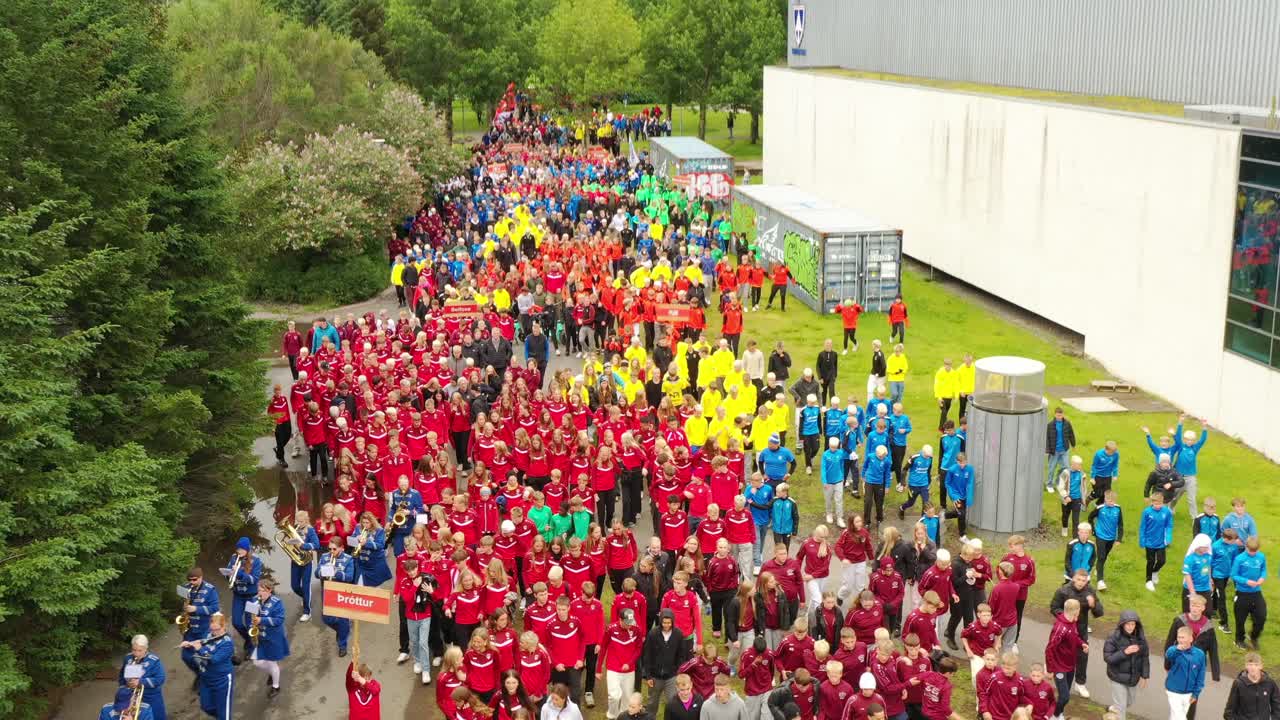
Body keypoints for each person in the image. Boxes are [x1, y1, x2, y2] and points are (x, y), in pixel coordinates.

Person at [1050, 570, 1103, 699]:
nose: (1080, 583)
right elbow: (1054, 608)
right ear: (1073, 578)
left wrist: (1093, 604)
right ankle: (1061, 680)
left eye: (1083, 581)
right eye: (1078, 579)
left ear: (1087, 581)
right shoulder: (1063, 591)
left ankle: (1080, 683)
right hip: (1065, 629)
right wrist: (1066, 618)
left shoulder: (1090, 591)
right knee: (1062, 654)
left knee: (1083, 656)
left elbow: (1099, 612)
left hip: (1081, 629)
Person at [182, 612, 235, 720]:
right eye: (212, 630)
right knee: (206, 706)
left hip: (222, 680)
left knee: (224, 712)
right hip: (206, 678)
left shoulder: (227, 643)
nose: (214, 633)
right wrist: (189, 644)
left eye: (217, 629)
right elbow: (203, 641)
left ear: (224, 626)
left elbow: (214, 659)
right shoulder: (209, 634)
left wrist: (199, 649)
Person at [642, 609, 690, 717]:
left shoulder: (678, 634)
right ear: (660, 621)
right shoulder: (653, 633)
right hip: (655, 676)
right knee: (652, 703)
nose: (666, 625)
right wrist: (648, 676)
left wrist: (678, 671)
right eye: (664, 622)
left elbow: (682, 655)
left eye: (669, 623)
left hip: (672, 677)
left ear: (672, 622)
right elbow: (647, 655)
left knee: (673, 703)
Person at [598, 609, 644, 720]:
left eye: (631, 622)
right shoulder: (611, 629)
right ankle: (612, 715)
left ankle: (624, 717)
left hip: (629, 670)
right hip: (613, 668)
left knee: (627, 698)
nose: (629, 625)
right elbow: (603, 647)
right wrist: (598, 669)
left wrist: (630, 663)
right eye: (627, 623)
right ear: (620, 620)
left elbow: (639, 648)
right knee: (614, 696)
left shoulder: (636, 629)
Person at [1103, 610, 1149, 720]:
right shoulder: (1113, 637)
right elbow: (1108, 658)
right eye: (1127, 624)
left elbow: (1145, 657)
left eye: (1133, 624)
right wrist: (1125, 652)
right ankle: (1117, 710)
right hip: (1116, 677)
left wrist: (1145, 675)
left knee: (1129, 702)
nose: (1130, 627)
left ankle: (1114, 708)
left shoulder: (1140, 638)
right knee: (1121, 709)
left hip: (1133, 678)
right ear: (1122, 624)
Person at [1045, 599, 1086, 719]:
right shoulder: (1060, 628)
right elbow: (1049, 649)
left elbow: (1075, 636)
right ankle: (1054, 715)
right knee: (1065, 696)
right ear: (1076, 611)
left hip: (1070, 666)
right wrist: (1050, 669)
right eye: (1079, 611)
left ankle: (1059, 713)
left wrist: (1081, 643)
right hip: (1059, 667)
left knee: (1066, 693)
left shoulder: (1072, 622)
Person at [249, 577, 289, 698]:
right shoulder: (254, 600)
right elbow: (250, 617)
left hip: (273, 638)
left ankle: (276, 686)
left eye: (262, 591)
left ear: (269, 591)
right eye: (258, 590)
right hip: (261, 637)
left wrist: (262, 620)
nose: (259, 593)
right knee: (257, 662)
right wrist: (252, 624)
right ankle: (272, 673)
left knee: (272, 663)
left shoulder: (277, 603)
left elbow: (279, 620)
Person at [316, 535, 356, 656]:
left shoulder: (349, 559)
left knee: (343, 618)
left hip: (342, 591)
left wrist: (337, 572)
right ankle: (343, 630)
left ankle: (342, 645)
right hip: (328, 590)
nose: (331, 552)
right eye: (330, 549)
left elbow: (349, 577)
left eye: (334, 549)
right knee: (326, 618)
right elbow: (316, 573)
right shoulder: (324, 557)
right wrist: (323, 572)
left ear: (342, 548)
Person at [179, 567, 221, 677]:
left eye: (194, 580)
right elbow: (183, 602)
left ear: (201, 578)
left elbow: (215, 608)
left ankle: (206, 676)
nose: (191, 582)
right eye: (190, 580)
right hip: (190, 628)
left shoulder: (210, 590)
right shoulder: (186, 587)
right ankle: (199, 674)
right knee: (186, 656)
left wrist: (196, 609)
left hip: (204, 628)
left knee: (203, 655)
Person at [225, 537, 262, 656]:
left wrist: (239, 573)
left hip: (251, 597)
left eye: (241, 549)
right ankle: (248, 639)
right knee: (236, 622)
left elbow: (254, 580)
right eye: (238, 548)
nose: (239, 551)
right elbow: (229, 574)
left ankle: (250, 648)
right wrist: (228, 574)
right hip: (238, 595)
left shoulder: (256, 561)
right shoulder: (234, 558)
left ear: (247, 549)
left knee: (250, 624)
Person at [1230, 536, 1267, 650]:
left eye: (1255, 551)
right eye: (1250, 551)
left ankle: (1254, 636)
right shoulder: (1239, 559)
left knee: (1261, 616)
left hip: (1256, 592)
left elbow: (1263, 570)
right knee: (1240, 619)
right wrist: (1246, 581)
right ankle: (1239, 640)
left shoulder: (1261, 557)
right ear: (1246, 547)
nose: (1252, 553)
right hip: (1242, 593)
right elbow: (1234, 575)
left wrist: (1262, 578)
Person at [118, 635, 166, 720]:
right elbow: (122, 675)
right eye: (134, 650)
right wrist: (124, 688)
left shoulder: (154, 661)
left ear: (146, 649)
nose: (136, 653)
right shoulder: (128, 658)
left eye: (140, 650)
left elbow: (160, 679)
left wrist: (141, 682)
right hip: (131, 697)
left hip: (151, 697)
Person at [1165, 626, 1207, 720]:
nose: (1180, 640)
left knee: (1175, 716)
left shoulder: (1199, 654)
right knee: (1180, 717)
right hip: (1173, 691)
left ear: (1191, 638)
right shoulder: (1174, 651)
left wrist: (1196, 693)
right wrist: (1177, 649)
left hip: (1189, 693)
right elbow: (1168, 654)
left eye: (1183, 637)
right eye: (1179, 637)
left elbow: (1201, 675)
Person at [1223, 653, 1280, 720]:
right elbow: (1228, 712)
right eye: (1250, 665)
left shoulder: (1270, 683)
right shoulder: (1239, 684)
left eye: (1256, 665)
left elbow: (1277, 706)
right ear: (1246, 666)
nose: (1253, 668)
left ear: (1261, 666)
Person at [1086, 490, 1123, 590]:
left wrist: (1119, 538)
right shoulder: (1100, 508)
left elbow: (1120, 524)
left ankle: (1098, 568)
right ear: (1105, 499)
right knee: (1101, 556)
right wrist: (1093, 530)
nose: (1110, 503)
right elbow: (1090, 518)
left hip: (1111, 538)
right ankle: (1100, 581)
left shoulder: (1118, 509)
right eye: (1108, 500)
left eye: (1112, 501)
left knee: (1104, 556)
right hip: (1100, 536)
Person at [1138, 492, 1174, 592]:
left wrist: (1168, 537)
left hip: (1161, 542)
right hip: (1149, 542)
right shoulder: (1147, 512)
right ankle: (1148, 580)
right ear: (1152, 502)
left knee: (1162, 561)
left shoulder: (1166, 512)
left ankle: (1155, 572)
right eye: (1156, 504)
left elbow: (1169, 525)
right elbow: (1142, 527)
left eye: (1160, 504)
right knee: (1151, 561)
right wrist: (1142, 539)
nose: (1158, 506)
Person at [1044, 408, 1075, 493]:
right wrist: (1047, 450)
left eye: (1061, 415)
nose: (1059, 416)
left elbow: (1071, 434)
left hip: (1064, 450)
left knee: (1065, 468)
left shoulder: (1067, 424)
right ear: (1055, 415)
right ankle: (1049, 485)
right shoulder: (1050, 425)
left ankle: (1057, 483)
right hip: (1054, 451)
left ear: (1063, 415)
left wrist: (1073, 444)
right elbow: (1047, 438)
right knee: (1051, 468)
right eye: (1058, 415)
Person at [1055, 455, 1087, 537]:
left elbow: (1084, 488)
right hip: (1067, 498)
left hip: (1077, 499)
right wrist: (1065, 496)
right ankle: (1064, 528)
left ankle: (1075, 536)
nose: (1080, 466)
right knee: (1065, 515)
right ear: (1072, 464)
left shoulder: (1082, 474)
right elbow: (1060, 486)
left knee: (1076, 519)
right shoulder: (1065, 473)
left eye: (1080, 464)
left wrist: (1083, 499)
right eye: (1078, 464)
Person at [1089, 441, 1120, 507]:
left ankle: (1098, 505)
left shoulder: (1116, 454)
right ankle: (1088, 499)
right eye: (1111, 452)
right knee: (1098, 493)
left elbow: (1115, 465)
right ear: (1106, 449)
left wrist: (1115, 475)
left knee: (1106, 494)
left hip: (1108, 477)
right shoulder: (1098, 454)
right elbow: (1094, 466)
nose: (1112, 454)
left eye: (1113, 452)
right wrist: (1092, 477)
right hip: (1098, 476)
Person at [933, 359, 958, 431]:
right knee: (944, 412)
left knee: (945, 413)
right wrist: (938, 397)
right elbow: (936, 385)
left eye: (949, 365)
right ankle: (941, 428)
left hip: (949, 397)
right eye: (946, 365)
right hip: (942, 397)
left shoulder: (954, 373)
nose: (948, 367)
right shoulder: (940, 373)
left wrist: (956, 395)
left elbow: (956, 385)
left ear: (951, 365)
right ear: (944, 365)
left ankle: (945, 427)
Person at [818, 340, 839, 404]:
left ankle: (833, 406)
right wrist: (820, 377)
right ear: (824, 345)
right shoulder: (821, 354)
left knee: (832, 391)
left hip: (831, 377)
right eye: (827, 344)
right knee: (824, 392)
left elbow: (835, 365)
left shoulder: (835, 354)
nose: (828, 345)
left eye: (830, 344)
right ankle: (823, 406)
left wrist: (835, 375)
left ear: (832, 345)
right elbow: (818, 366)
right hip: (823, 377)